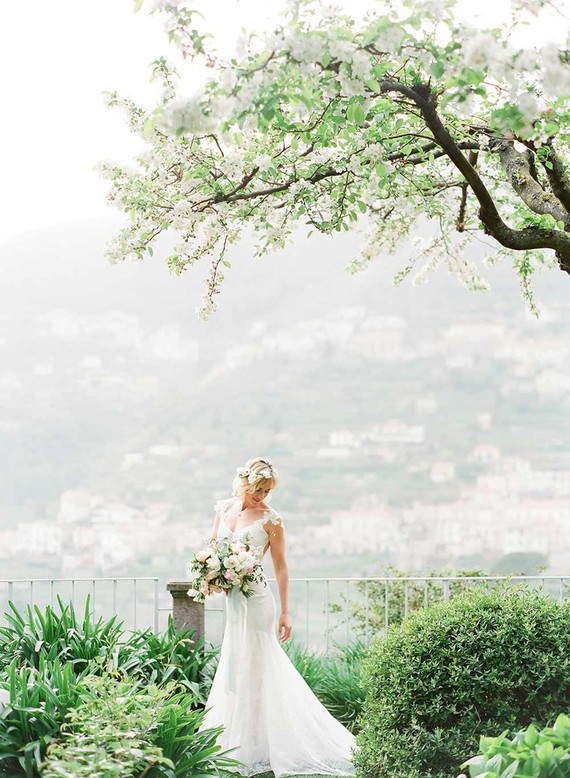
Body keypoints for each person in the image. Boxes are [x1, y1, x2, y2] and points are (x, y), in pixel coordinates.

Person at [199, 457, 356, 777]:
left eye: (267, 491)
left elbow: (281, 567)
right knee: (238, 663)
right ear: (245, 484)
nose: (262, 497)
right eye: (258, 490)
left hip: (257, 600)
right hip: (234, 600)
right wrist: (212, 576)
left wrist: (286, 611)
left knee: (258, 665)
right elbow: (213, 546)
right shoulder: (224, 509)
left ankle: (270, 742)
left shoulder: (272, 520)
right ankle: (243, 740)